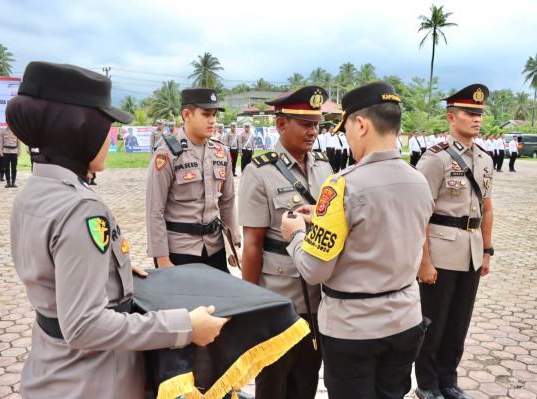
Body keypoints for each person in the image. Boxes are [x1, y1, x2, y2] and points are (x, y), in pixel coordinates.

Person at [6, 61, 228, 399]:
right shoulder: (81, 209)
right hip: (91, 379)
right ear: (79, 131)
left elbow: (56, 273)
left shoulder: (36, 190)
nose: (110, 139)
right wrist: (185, 327)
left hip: (52, 368)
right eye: (105, 128)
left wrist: (115, 269)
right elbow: (85, 325)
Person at [280, 81, 434, 399]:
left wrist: (294, 235)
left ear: (361, 124)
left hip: (355, 330)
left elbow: (315, 269)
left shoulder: (342, 185)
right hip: (406, 323)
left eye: (346, 128)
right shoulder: (419, 181)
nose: (346, 139)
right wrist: (321, 218)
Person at [238, 85, 332, 399]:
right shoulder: (259, 171)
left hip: (319, 296)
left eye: (316, 124)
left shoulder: (324, 166)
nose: (313, 132)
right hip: (278, 298)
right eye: (305, 124)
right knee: (274, 382)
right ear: (281, 125)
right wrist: (251, 305)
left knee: (307, 378)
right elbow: (252, 244)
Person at [415, 84, 494, 399]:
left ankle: (448, 380)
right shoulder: (435, 158)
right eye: (469, 113)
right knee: (433, 323)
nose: (476, 119)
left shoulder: (485, 159)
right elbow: (419, 213)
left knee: (459, 323)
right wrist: (424, 260)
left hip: (472, 252)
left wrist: (487, 250)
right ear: (451, 117)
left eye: (479, 114)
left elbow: (487, 208)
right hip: (441, 252)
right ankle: (427, 384)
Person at [146, 88, 240, 272]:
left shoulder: (221, 152)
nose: (213, 120)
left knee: (218, 300)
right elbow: (154, 210)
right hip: (180, 249)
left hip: (215, 247)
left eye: (214, 114)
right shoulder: (167, 154)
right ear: (187, 114)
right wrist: (162, 258)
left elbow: (227, 203)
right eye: (206, 114)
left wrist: (234, 245)